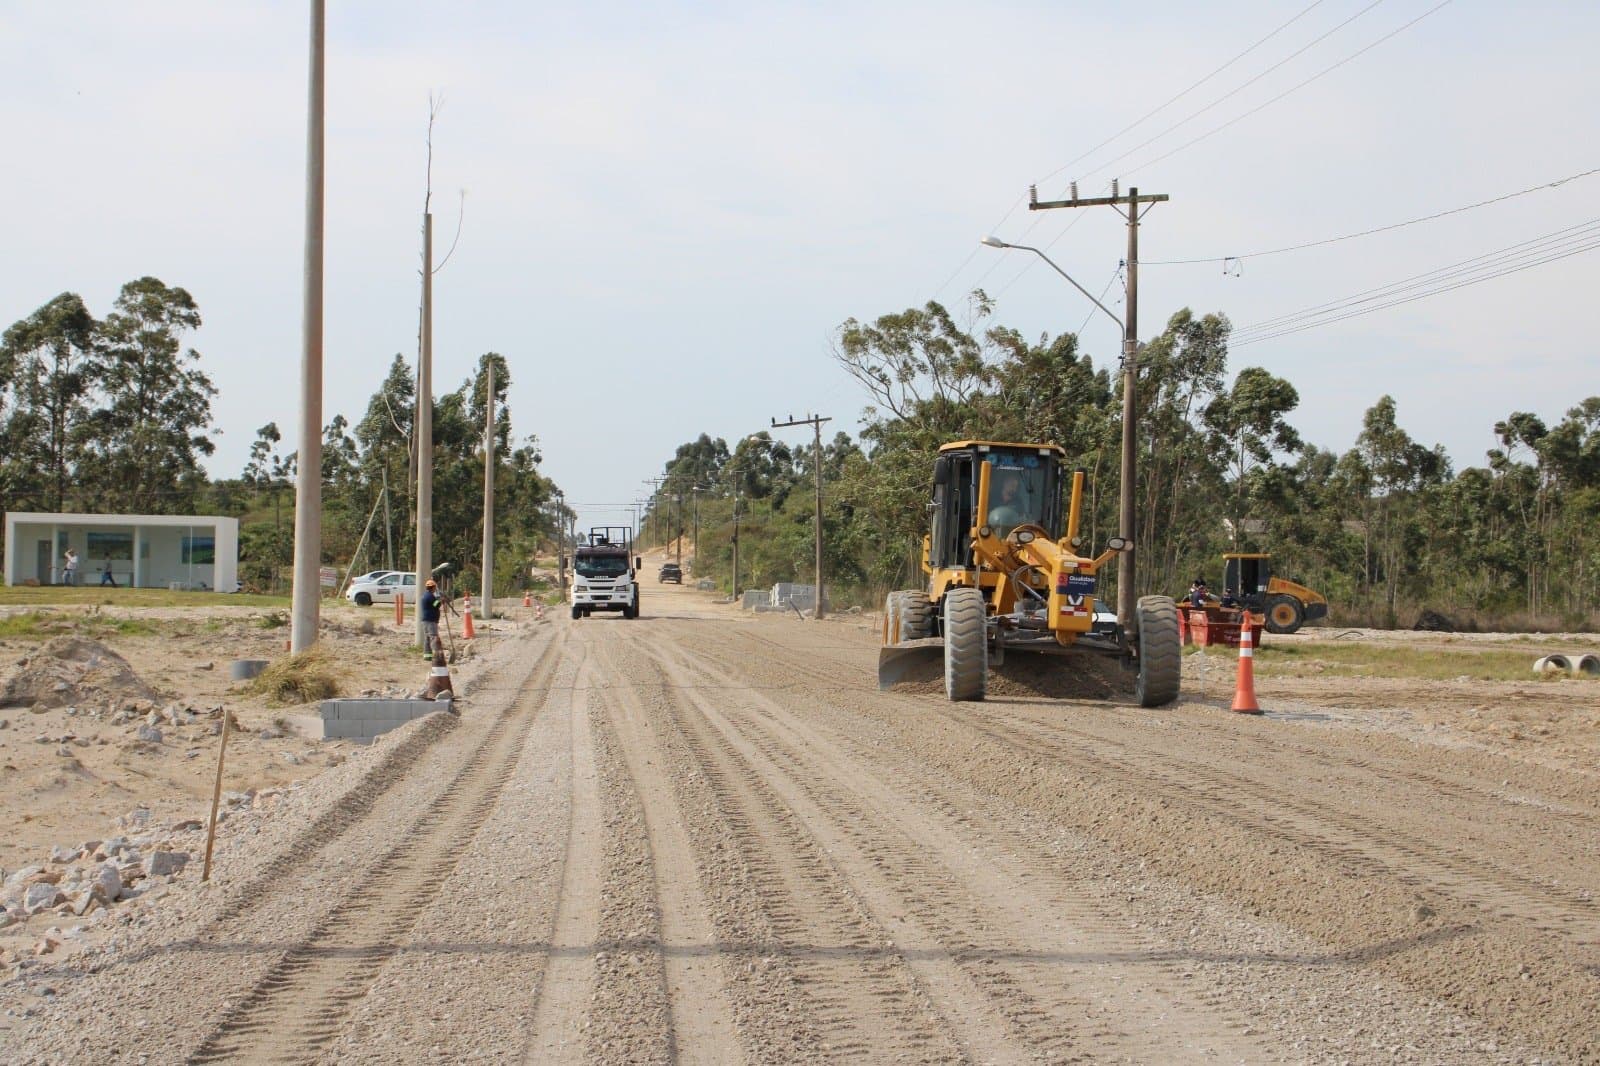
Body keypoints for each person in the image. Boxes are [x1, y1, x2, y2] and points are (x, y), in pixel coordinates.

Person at [420, 578, 443, 652]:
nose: (435, 589)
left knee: (427, 638)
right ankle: (438, 655)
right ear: (433, 587)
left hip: (426, 620)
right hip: (430, 621)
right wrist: (441, 601)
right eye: (435, 587)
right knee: (434, 637)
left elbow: (434, 604)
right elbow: (436, 605)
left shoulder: (426, 595)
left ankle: (427, 655)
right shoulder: (430, 596)